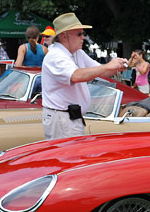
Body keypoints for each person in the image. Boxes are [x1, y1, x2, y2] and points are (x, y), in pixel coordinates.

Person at [41, 12, 126, 140]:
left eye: (83, 34)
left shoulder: (77, 53)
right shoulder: (56, 55)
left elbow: (99, 71)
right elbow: (76, 76)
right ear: (64, 36)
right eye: (79, 34)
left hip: (69, 118)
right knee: (68, 158)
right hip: (62, 118)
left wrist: (119, 66)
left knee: (72, 157)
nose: (83, 37)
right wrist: (109, 66)